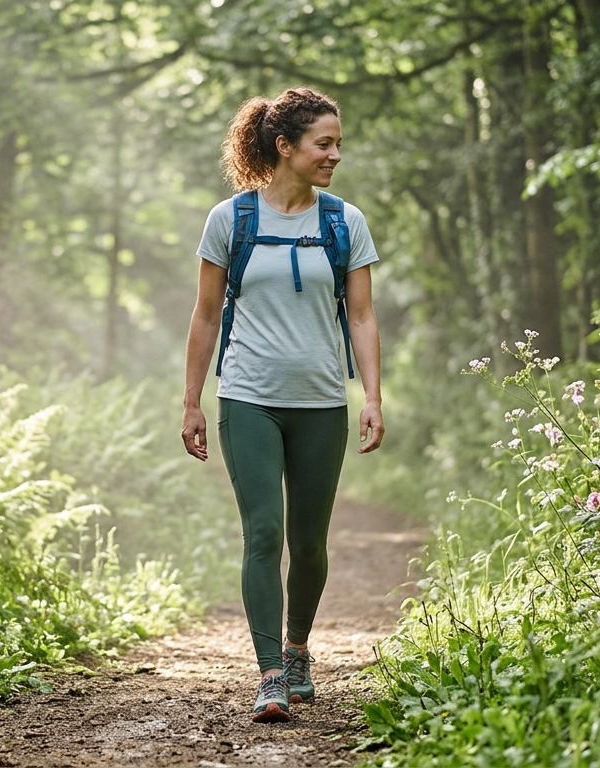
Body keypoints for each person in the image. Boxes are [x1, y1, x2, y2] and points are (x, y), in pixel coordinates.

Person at [180, 87, 384, 724]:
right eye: (323, 144)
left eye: (337, 144)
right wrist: (191, 401)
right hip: (248, 398)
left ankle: (298, 649)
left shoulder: (342, 222)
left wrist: (372, 395)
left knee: (311, 542)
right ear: (284, 146)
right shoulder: (231, 220)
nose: (334, 155)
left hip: (322, 400)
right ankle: (270, 673)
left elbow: (364, 315)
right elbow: (206, 316)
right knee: (264, 532)